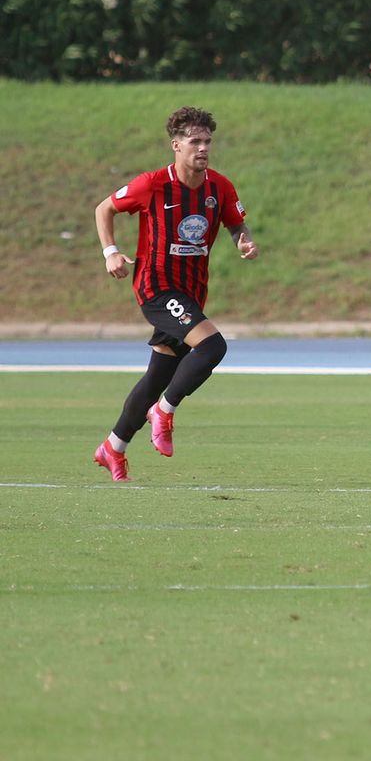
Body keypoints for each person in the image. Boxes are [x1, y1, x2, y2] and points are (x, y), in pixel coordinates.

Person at [92, 107, 257, 481]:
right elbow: (104, 208)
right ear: (176, 146)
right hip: (157, 287)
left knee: (157, 375)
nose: (203, 148)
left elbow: (236, 223)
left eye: (207, 141)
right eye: (195, 142)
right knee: (213, 347)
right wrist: (111, 252)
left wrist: (243, 240)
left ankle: (112, 447)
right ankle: (164, 411)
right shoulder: (153, 184)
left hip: (191, 292)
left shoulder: (220, 187)